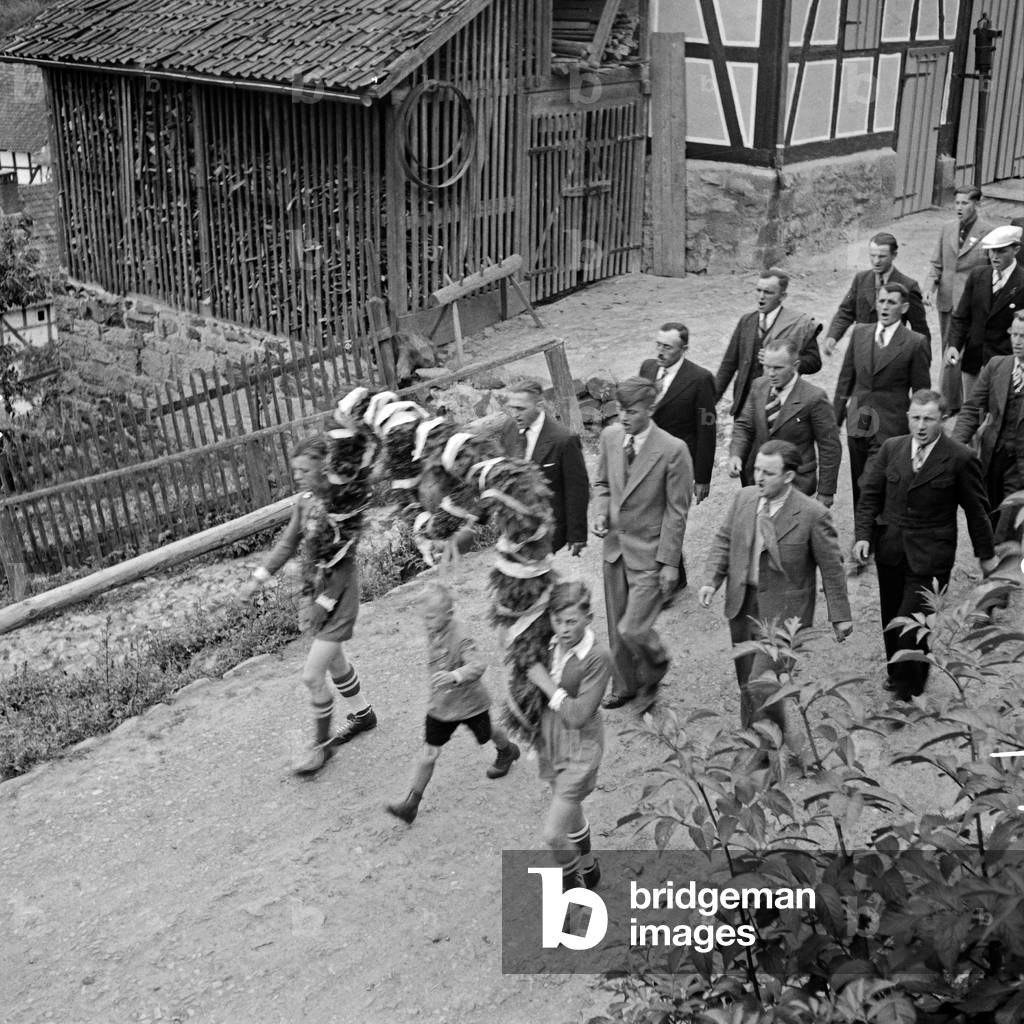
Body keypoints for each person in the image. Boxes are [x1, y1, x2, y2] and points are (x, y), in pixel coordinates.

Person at [699, 440, 852, 751]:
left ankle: (771, 744)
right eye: (757, 469)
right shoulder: (744, 498)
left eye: (768, 472)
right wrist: (710, 580)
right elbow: (724, 540)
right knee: (748, 683)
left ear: (788, 476)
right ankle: (758, 737)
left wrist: (841, 615)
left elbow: (832, 566)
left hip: (785, 614)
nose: (758, 477)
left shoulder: (812, 514)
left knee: (761, 681)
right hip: (743, 603)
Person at [239, 435, 377, 773]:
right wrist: (257, 579)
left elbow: (345, 564)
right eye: (295, 470)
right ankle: (363, 714)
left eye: (304, 469)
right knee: (335, 663)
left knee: (312, 676)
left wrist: (326, 604)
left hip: (339, 598)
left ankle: (321, 747)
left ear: (323, 467)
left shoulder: (341, 505)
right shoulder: (304, 502)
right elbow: (287, 544)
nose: (297, 476)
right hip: (312, 592)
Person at [853, 390, 997, 701]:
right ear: (907, 417)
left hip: (931, 556)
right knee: (892, 618)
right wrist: (863, 535)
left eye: (929, 419)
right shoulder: (892, 449)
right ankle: (899, 673)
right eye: (916, 418)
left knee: (913, 622)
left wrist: (986, 556)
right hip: (891, 549)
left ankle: (910, 689)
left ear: (943, 420)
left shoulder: (960, 457)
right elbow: (870, 496)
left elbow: (976, 511)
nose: (921, 426)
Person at [593, 377, 691, 712]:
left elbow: (677, 512)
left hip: (649, 553)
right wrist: (601, 512)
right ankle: (625, 686)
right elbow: (603, 483)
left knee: (633, 628)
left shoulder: (673, 450)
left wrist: (669, 563)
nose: (623, 417)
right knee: (616, 627)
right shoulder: (609, 437)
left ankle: (655, 667)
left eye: (632, 411)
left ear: (650, 409)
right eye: (620, 409)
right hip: (614, 548)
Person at [385, 583, 520, 824]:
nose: (426, 623)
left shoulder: (461, 636)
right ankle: (411, 804)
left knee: (489, 732)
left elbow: (478, 665)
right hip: (441, 706)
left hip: (469, 704)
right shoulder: (435, 627)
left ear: (448, 615)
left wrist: (454, 676)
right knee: (429, 753)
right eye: (423, 618)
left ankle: (507, 750)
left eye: (430, 618)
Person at [525, 581, 614, 890]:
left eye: (571, 621)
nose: (563, 629)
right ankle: (589, 868)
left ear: (588, 617)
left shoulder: (599, 657)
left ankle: (572, 890)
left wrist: (545, 683)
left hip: (582, 748)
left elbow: (578, 714)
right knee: (571, 810)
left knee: (553, 833)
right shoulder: (548, 640)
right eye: (558, 620)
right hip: (551, 739)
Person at [833, 281, 931, 508]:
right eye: (882, 301)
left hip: (891, 425)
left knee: (875, 483)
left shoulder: (915, 343)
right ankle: (862, 537)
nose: (885, 307)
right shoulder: (860, 333)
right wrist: (834, 421)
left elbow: (921, 393)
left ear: (904, 308)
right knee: (859, 480)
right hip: (859, 420)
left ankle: (879, 537)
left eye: (892, 303)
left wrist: (919, 429)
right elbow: (845, 379)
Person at [639, 321, 716, 588]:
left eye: (667, 347)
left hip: (678, 463)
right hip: (647, 458)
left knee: (668, 519)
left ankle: (672, 578)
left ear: (684, 349)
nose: (660, 351)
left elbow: (707, 429)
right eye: (658, 344)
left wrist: (703, 477)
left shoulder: (700, 379)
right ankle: (668, 574)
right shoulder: (648, 368)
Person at [729, 336, 841, 502]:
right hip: (760, 481)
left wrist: (826, 491)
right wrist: (736, 454)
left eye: (778, 368)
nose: (771, 374)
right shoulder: (758, 386)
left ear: (795, 366)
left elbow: (829, 446)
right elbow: (744, 425)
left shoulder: (814, 397)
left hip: (797, 485)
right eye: (767, 367)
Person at [952, 310, 1024, 543]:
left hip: (1020, 468)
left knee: (1008, 525)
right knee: (988, 518)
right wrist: (954, 446)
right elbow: (973, 409)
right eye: (1014, 334)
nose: (1017, 342)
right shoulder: (997, 367)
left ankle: (1001, 574)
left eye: (1023, 336)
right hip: (992, 459)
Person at [715, 268, 822, 419]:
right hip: (745, 404)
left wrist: (784, 359)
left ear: (782, 296)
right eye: (758, 290)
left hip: (778, 405)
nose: (761, 297)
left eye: (768, 292)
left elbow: (814, 363)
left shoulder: (799, 324)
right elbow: (728, 364)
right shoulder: (747, 321)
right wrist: (711, 400)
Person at [923, 186, 994, 413]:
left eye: (965, 203)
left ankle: (965, 404)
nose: (959, 208)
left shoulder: (989, 233)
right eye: (957, 203)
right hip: (946, 300)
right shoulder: (947, 229)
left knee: (967, 353)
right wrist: (929, 287)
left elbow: (992, 270)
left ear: (977, 204)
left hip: (973, 305)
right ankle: (950, 404)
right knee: (948, 350)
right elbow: (937, 264)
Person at [499, 380, 589, 555]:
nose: (515, 414)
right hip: (514, 526)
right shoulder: (509, 428)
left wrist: (577, 535)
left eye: (521, 409)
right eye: (512, 408)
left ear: (539, 405)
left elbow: (576, 490)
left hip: (550, 532)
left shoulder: (563, 439)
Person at [946, 225, 1024, 402]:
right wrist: (954, 345)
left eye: (1001, 251)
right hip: (974, 360)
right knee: (973, 410)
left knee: (999, 411)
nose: (994, 257)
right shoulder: (978, 275)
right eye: (991, 251)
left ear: (1016, 249)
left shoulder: (1021, 283)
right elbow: (961, 317)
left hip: (1006, 364)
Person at [823, 232, 931, 355]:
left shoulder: (908, 286)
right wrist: (833, 336)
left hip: (891, 356)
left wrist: (920, 363)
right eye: (872, 255)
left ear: (894, 255)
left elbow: (920, 331)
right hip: (861, 351)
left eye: (882, 256)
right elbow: (846, 311)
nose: (876, 261)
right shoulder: (861, 280)